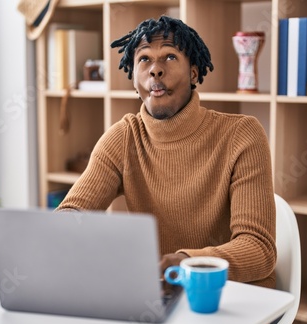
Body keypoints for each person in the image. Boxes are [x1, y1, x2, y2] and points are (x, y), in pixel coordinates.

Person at [57, 15, 276, 289]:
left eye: (170, 57)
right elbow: (73, 212)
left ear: (194, 73)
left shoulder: (242, 135)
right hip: (157, 292)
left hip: (227, 294)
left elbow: (259, 250)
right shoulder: (123, 137)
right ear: (133, 76)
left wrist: (185, 262)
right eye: (144, 59)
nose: (155, 70)